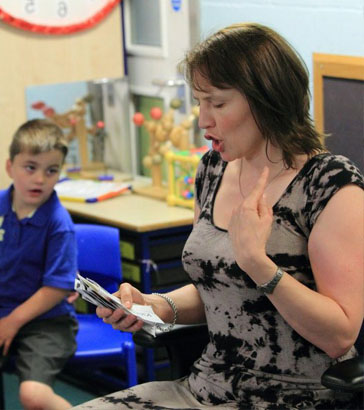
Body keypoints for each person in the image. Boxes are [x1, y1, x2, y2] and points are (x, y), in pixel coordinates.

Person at [74, 23, 364, 409]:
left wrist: (258, 264)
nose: (202, 120)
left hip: (293, 396)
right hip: (207, 388)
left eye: (218, 103)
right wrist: (155, 306)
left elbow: (339, 335)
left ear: (266, 100)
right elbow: (217, 289)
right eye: (199, 102)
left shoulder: (330, 185)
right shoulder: (212, 169)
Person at [0, 119, 78, 410]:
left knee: (33, 396)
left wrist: (11, 322)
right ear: (10, 167)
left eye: (51, 170)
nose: (40, 179)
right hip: (3, 313)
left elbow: (58, 288)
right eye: (30, 167)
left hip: (47, 323)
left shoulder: (59, 224)